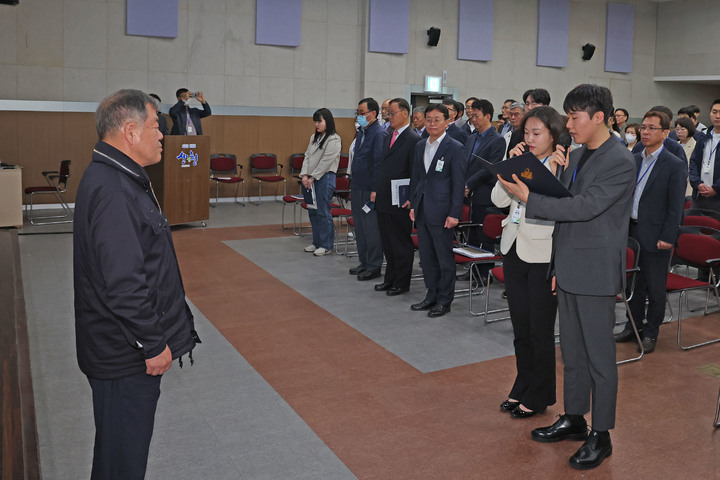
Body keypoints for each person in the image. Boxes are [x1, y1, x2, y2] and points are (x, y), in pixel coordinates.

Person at [498, 84, 636, 470]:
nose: (569, 124)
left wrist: (528, 198)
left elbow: (583, 207)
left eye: (575, 117)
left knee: (599, 359)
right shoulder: (576, 155)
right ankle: (575, 417)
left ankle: (601, 433)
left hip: (594, 272)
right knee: (572, 354)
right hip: (570, 266)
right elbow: (563, 209)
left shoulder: (619, 160)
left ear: (599, 117)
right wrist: (557, 265)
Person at [74, 89, 200, 480]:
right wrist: (153, 342)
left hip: (121, 348)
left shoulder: (121, 179)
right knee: (121, 464)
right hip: (125, 355)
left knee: (118, 456)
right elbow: (124, 284)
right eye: (155, 126)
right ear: (130, 131)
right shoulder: (113, 190)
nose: (162, 134)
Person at [492, 106, 565, 419]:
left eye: (538, 133)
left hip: (543, 254)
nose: (531, 138)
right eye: (527, 133)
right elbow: (498, 201)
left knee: (540, 330)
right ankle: (523, 383)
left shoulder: (563, 165)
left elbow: (562, 212)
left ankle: (539, 394)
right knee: (521, 327)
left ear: (553, 135)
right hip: (514, 248)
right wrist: (511, 164)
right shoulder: (522, 162)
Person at [614, 110, 686, 353]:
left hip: (657, 235)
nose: (645, 132)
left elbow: (676, 205)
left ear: (666, 133)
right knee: (633, 283)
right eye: (643, 127)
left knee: (655, 286)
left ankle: (651, 331)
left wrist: (669, 236)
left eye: (651, 128)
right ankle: (632, 325)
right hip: (632, 230)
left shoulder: (673, 164)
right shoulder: (634, 158)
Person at [408, 104, 466, 318]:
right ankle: (430, 295)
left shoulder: (455, 147)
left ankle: (444, 299)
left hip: (443, 211)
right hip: (423, 208)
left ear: (447, 121)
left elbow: (459, 184)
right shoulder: (420, 145)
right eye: (429, 119)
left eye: (437, 120)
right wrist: (413, 205)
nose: (432, 123)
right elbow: (416, 177)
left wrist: (455, 213)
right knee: (427, 257)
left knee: (443, 258)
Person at [374, 98, 421, 296]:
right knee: (387, 242)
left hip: (401, 199)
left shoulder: (413, 139)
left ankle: (402, 282)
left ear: (404, 114)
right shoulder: (387, 136)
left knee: (400, 242)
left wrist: (411, 197)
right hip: (385, 197)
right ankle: (390, 278)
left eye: (392, 113)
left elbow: (416, 172)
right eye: (387, 114)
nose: (388, 117)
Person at [462, 99, 507, 282]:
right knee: (471, 234)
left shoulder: (497, 140)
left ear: (488, 116)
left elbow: (489, 168)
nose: (473, 119)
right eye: (471, 115)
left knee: (483, 235)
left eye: (477, 116)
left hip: (484, 193)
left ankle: (484, 273)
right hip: (468, 193)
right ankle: (472, 270)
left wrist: (469, 184)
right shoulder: (472, 138)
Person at [349, 97, 385, 280]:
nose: (359, 116)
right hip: (357, 185)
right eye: (358, 113)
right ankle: (363, 261)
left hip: (370, 188)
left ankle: (373, 265)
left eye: (362, 113)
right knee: (360, 228)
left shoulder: (378, 133)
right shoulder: (362, 132)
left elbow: (379, 164)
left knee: (371, 229)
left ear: (373, 114)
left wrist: (375, 189)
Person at [301, 108, 342, 257]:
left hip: (324, 178)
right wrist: (304, 175)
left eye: (320, 121)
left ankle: (326, 244)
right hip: (309, 179)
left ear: (328, 121)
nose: (316, 124)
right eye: (315, 121)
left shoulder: (334, 139)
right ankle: (316, 241)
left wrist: (313, 177)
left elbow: (326, 161)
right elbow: (307, 156)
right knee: (312, 211)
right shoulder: (314, 137)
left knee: (323, 212)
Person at [689, 99, 720, 212]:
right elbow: (693, 162)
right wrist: (697, 183)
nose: (717, 116)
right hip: (699, 194)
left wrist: (716, 188)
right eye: (714, 112)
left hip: (717, 196)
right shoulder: (703, 136)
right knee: (694, 225)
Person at [675, 116, 697, 196]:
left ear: (689, 129)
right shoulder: (675, 145)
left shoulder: (696, 146)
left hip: (688, 185)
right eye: (677, 129)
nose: (679, 132)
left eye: (682, 129)